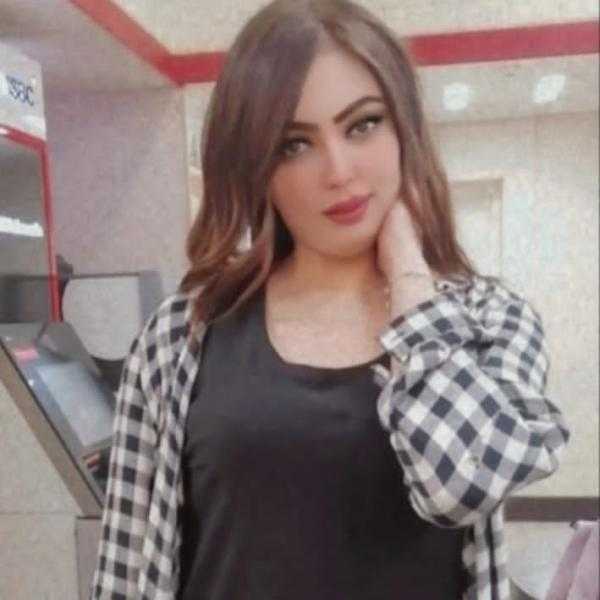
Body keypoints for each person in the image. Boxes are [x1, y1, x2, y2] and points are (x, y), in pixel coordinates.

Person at [89, 1, 570, 599]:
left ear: (405, 131)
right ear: (256, 165)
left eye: (363, 124)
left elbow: (465, 484)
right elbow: (125, 569)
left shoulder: (489, 320)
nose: (338, 171)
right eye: (294, 144)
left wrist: (410, 277)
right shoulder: (180, 337)